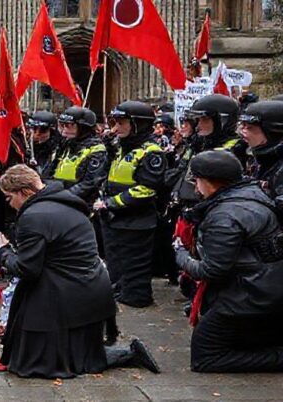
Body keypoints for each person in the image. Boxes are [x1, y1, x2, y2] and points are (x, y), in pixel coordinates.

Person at [0, 165, 159, 378]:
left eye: (9, 199)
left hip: (67, 295)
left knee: (28, 362)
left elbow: (27, 269)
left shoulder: (33, 215)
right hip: (93, 291)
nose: (10, 205)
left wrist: (4, 252)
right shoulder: (68, 202)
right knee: (72, 354)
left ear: (24, 192)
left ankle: (126, 354)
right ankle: (125, 354)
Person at [174, 151, 283, 372]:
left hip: (251, 296)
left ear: (209, 182)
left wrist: (180, 253)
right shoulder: (250, 194)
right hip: (265, 288)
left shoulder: (224, 215)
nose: (195, 187)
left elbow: (210, 270)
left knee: (205, 356)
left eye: (197, 180)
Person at [95, 101, 165, 308]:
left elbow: (148, 188)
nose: (115, 129)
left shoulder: (151, 152)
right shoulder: (120, 147)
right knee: (115, 259)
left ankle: (136, 296)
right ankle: (120, 290)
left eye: (121, 123)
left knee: (135, 262)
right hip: (115, 217)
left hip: (137, 217)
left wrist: (112, 203)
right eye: (114, 123)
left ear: (138, 124)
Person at [45, 106, 108, 206]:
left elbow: (90, 183)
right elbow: (49, 172)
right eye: (62, 125)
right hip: (57, 197)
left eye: (70, 125)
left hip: (79, 202)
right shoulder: (64, 145)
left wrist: (63, 195)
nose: (64, 129)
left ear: (83, 127)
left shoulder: (96, 149)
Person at [242, 100, 283, 205]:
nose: (243, 132)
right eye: (243, 126)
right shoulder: (259, 158)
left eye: (250, 128)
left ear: (273, 132)